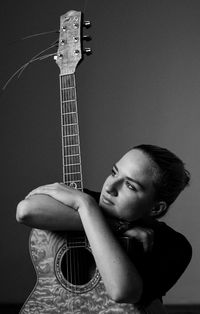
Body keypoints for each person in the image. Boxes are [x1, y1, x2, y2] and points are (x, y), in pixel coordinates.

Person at [16, 144, 192, 310]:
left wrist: (86, 206)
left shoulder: (174, 245)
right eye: (114, 173)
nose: (109, 187)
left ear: (156, 208)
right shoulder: (86, 201)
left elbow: (122, 291)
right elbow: (26, 211)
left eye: (130, 186)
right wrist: (115, 225)